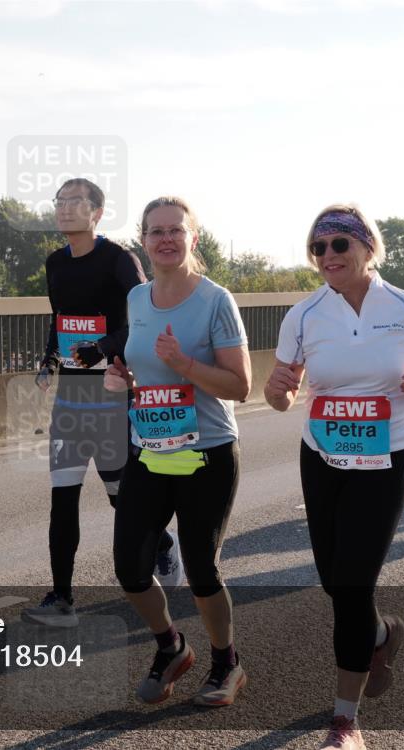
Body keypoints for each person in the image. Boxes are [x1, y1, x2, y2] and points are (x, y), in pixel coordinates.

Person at [264, 204, 404, 750]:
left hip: (385, 457)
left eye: (338, 244)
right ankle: (381, 632)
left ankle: (344, 722)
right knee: (334, 581)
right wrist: (278, 391)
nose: (327, 256)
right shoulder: (304, 315)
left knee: (352, 584)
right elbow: (281, 395)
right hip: (322, 457)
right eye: (317, 248)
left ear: (367, 247)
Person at [106, 196, 251, 707]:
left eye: (176, 230)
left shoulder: (215, 300)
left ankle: (226, 662)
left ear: (194, 237)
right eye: (156, 231)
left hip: (207, 451)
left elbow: (240, 386)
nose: (166, 239)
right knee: (130, 567)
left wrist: (184, 364)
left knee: (201, 569)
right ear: (144, 241)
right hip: (151, 450)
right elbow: (144, 370)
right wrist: (125, 378)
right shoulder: (137, 298)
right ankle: (171, 646)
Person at [23, 179, 184, 629]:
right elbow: (60, 319)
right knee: (62, 498)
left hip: (113, 394)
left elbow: (144, 317)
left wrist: (103, 347)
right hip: (71, 399)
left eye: (75, 202)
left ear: (96, 213)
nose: (64, 209)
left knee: (120, 497)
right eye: (59, 201)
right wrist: (49, 357)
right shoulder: (55, 262)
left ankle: (162, 545)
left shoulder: (118, 260)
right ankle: (62, 598)